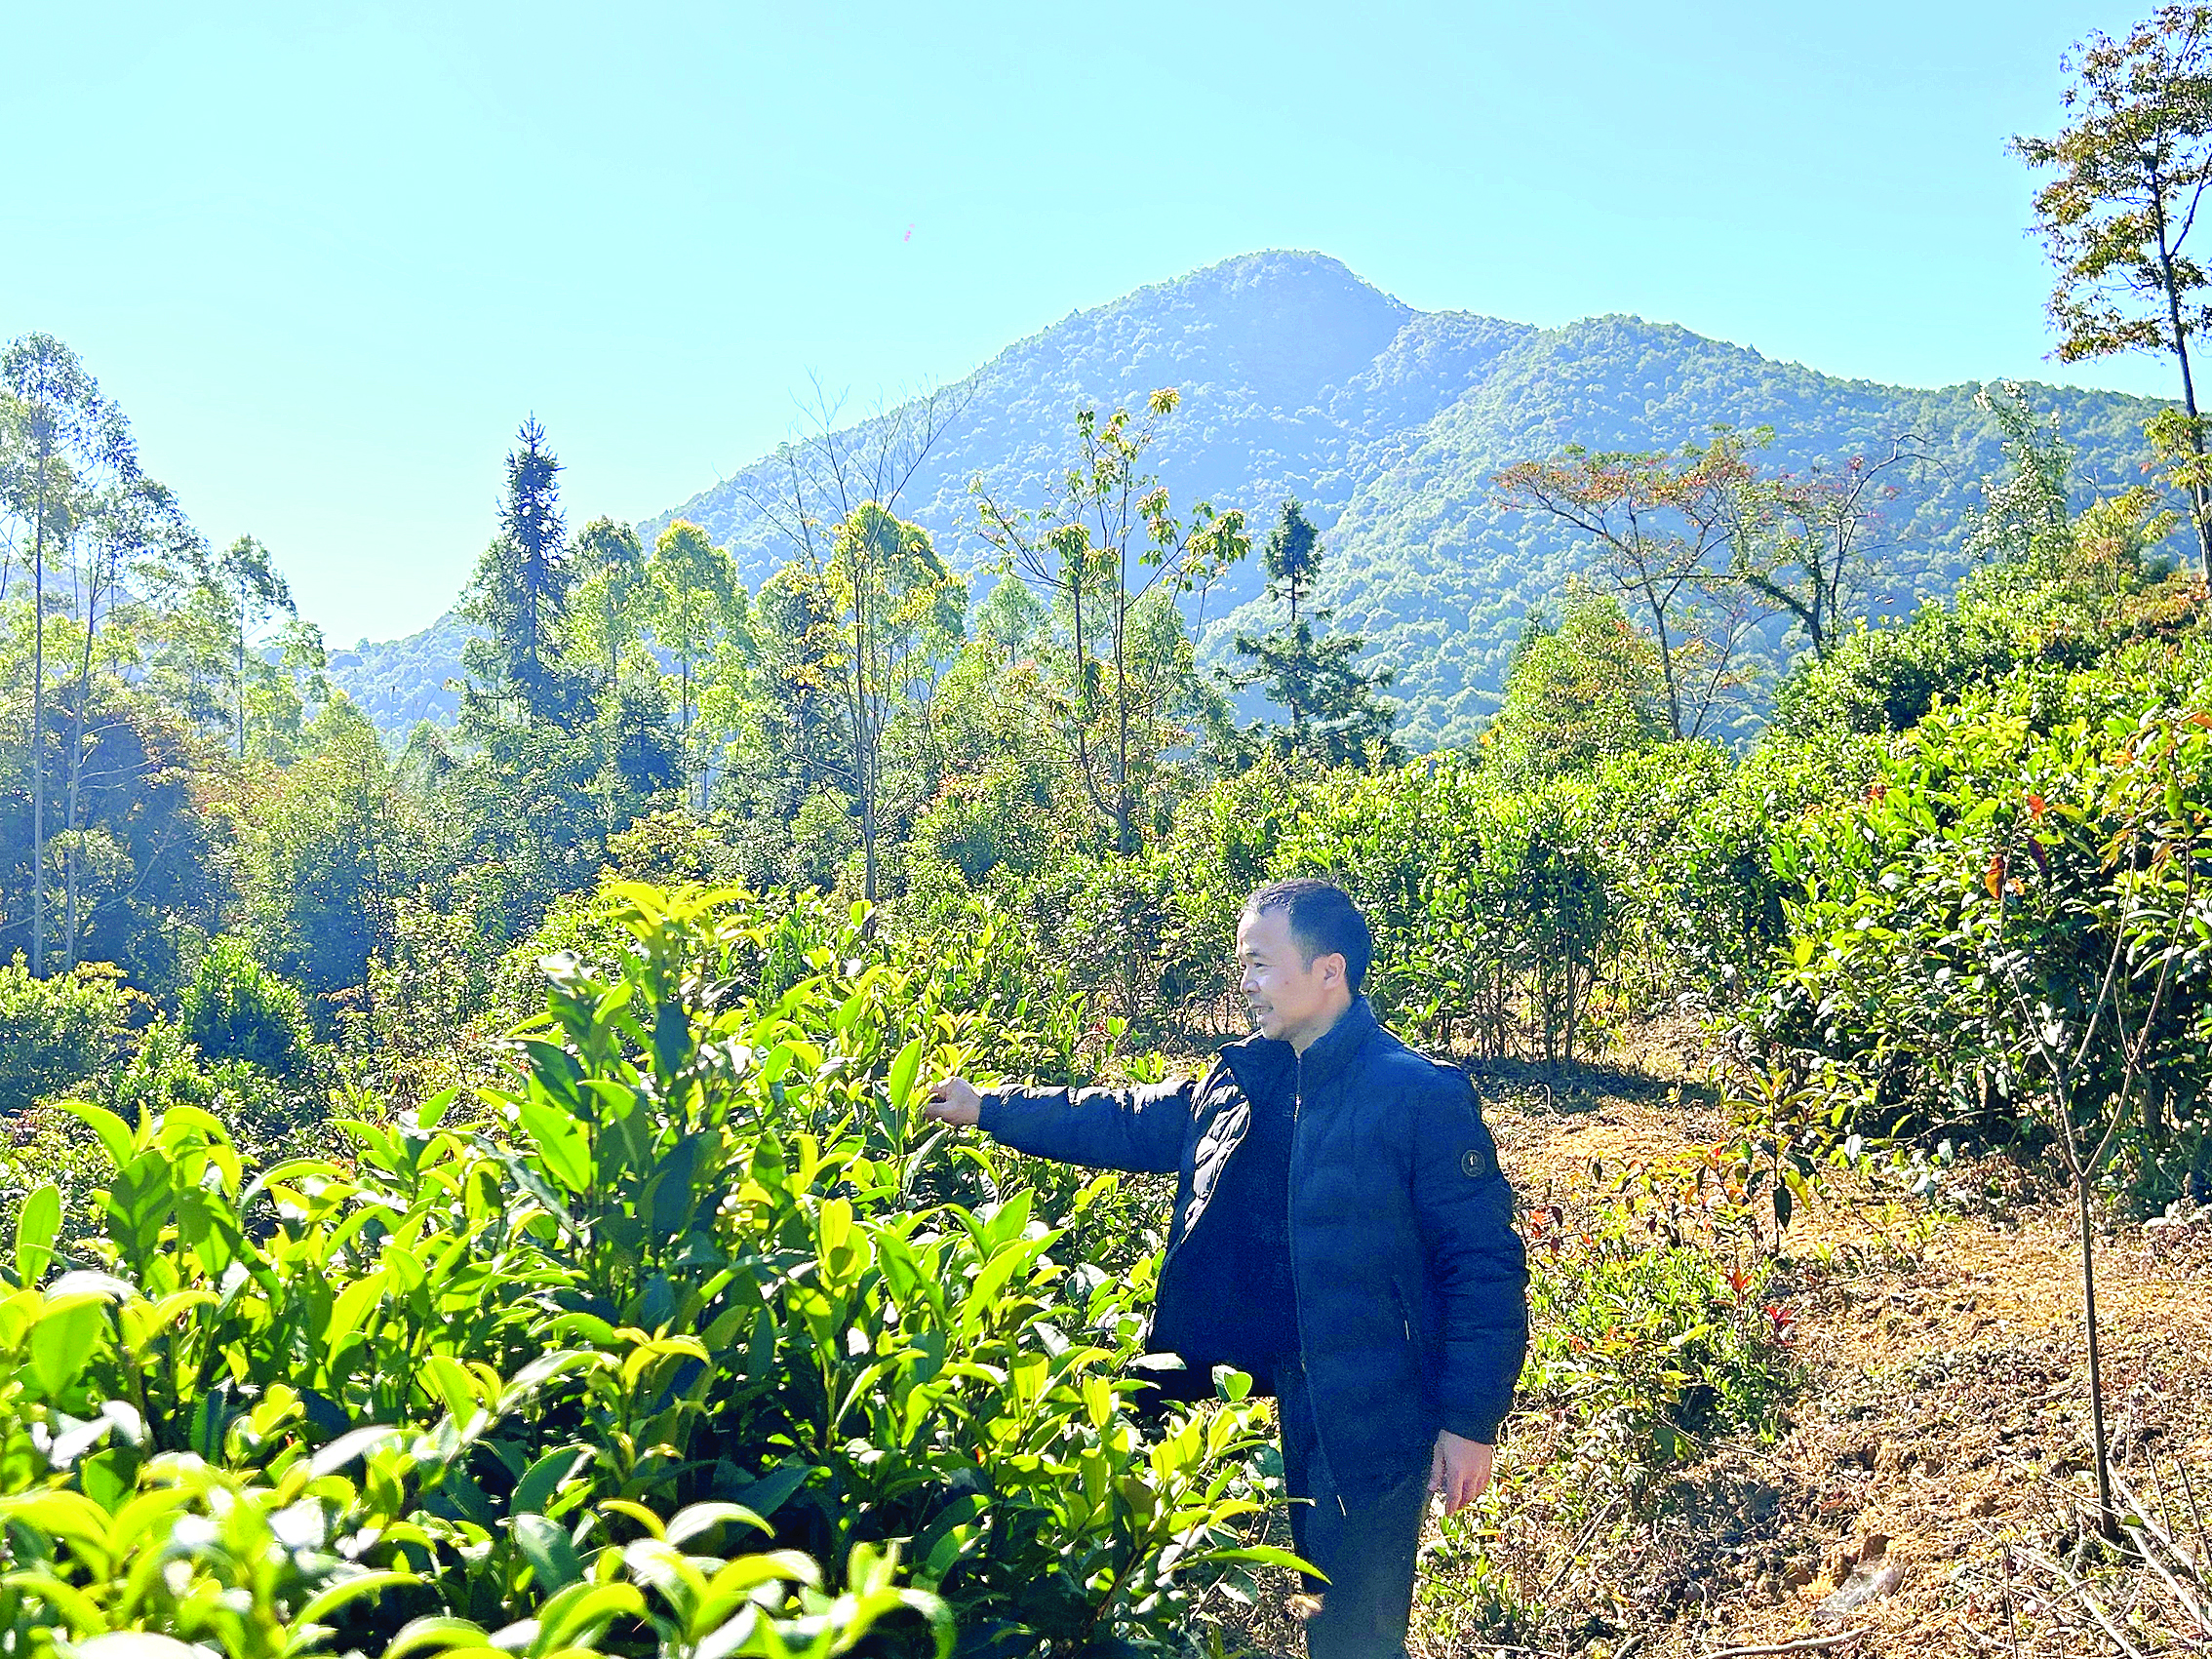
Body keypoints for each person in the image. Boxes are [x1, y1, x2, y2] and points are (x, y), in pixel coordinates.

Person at [925, 878, 1528, 1659]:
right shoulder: (1244, 1080)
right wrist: (992, 1107)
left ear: (1328, 971)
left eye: (1260, 964)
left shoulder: (1417, 1096)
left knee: (1357, 1630)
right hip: (1282, 1379)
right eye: (1242, 964)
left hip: (1377, 1399)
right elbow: (1122, 1119)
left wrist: (1469, 1420)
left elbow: (1483, 1268)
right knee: (1318, 1601)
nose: (1244, 983)